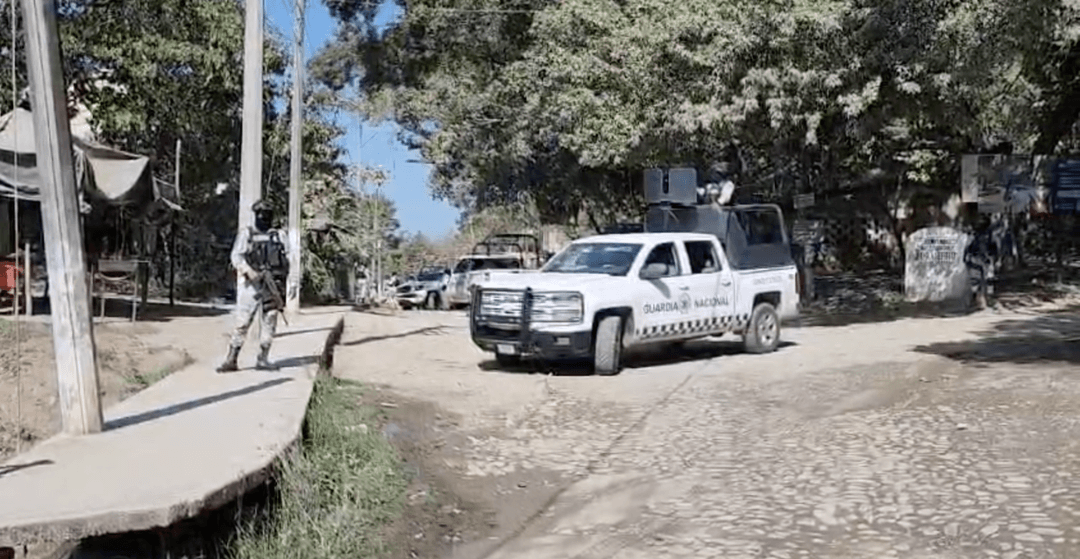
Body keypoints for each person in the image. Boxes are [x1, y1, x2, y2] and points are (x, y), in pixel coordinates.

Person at [216, 199, 292, 372]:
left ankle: (263, 359)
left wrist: (288, 283)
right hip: (250, 286)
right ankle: (232, 359)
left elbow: (288, 259)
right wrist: (248, 271)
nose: (263, 217)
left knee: (270, 321)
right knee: (242, 322)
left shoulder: (280, 235)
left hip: (272, 284)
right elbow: (236, 257)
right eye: (260, 214)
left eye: (267, 214)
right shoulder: (246, 234)